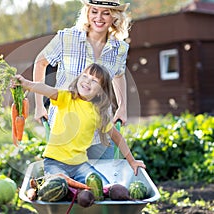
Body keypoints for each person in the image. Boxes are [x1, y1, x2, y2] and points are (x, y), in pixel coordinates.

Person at [13, 63, 145, 185]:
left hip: (80, 165)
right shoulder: (66, 98)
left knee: (101, 186)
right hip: (55, 163)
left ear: (100, 91)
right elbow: (46, 89)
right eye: (85, 76)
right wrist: (27, 84)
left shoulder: (97, 114)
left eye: (94, 80)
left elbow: (117, 137)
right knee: (58, 185)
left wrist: (132, 161)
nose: (88, 81)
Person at [33, 0, 131, 159]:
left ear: (115, 17)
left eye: (106, 12)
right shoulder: (67, 38)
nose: (99, 17)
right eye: (94, 11)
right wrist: (39, 105)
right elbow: (40, 63)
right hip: (66, 130)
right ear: (87, 13)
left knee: (102, 180)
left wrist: (122, 107)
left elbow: (119, 75)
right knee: (68, 180)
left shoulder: (119, 49)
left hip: (100, 130)